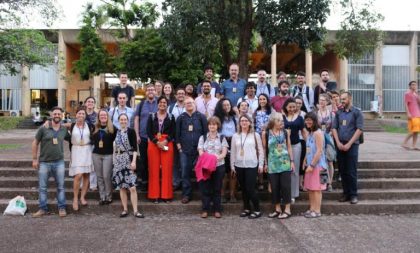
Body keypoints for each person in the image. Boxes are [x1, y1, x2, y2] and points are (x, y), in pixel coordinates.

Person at [32, 107, 70, 218]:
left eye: (59, 114)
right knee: (43, 187)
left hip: (59, 162)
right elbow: (35, 143)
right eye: (55, 114)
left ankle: (61, 208)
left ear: (62, 115)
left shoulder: (63, 129)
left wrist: (68, 125)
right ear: (51, 115)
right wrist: (34, 159)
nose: (57, 115)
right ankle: (42, 209)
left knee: (61, 187)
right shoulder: (43, 128)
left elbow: (72, 137)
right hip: (44, 162)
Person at [332, 91, 364, 204]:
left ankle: (353, 194)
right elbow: (334, 128)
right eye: (341, 99)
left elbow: (359, 129)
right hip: (340, 145)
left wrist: (349, 144)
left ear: (349, 99)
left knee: (351, 171)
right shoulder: (339, 113)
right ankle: (345, 193)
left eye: (344, 99)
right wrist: (338, 143)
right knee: (342, 170)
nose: (342, 101)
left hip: (352, 146)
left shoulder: (357, 112)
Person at [230, 114, 264, 219]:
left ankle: (257, 209)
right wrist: (232, 166)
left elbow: (260, 151)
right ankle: (247, 208)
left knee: (250, 188)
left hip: (252, 164)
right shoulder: (235, 136)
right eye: (242, 121)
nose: (244, 122)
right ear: (239, 123)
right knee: (244, 189)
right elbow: (233, 152)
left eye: (246, 120)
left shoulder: (255, 135)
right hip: (239, 165)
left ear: (250, 122)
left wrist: (261, 164)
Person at [176, 97, 208, 203]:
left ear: (194, 104)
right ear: (184, 105)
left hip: (199, 150)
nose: (189, 104)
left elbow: (205, 133)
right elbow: (177, 134)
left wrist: (204, 148)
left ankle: (204, 194)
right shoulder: (180, 118)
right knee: (185, 172)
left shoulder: (201, 117)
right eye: (186, 103)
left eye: (190, 102)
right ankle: (186, 195)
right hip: (184, 150)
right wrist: (179, 147)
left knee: (201, 172)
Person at [262, 112, 294, 219]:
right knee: (274, 187)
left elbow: (289, 147)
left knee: (286, 186)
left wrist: (292, 161)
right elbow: (264, 149)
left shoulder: (285, 132)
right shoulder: (266, 133)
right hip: (272, 164)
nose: (282, 122)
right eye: (279, 120)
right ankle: (277, 209)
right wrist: (265, 163)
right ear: (273, 121)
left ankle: (287, 210)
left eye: (282, 120)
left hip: (285, 163)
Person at [112, 113, 144, 218]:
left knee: (132, 187)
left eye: (125, 119)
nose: (123, 121)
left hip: (128, 159)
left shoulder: (131, 131)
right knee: (122, 186)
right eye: (121, 120)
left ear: (127, 120)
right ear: (118, 121)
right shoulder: (116, 132)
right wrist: (114, 161)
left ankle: (135, 211)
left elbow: (135, 148)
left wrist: (134, 161)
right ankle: (125, 209)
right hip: (119, 160)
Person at [197, 116, 228, 218]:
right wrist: (209, 159)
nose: (212, 126)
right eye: (210, 124)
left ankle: (217, 210)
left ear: (217, 126)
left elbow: (224, 153)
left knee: (217, 188)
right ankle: (205, 210)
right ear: (208, 126)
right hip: (206, 167)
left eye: (214, 124)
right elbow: (201, 152)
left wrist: (214, 159)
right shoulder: (203, 137)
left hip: (218, 166)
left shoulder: (222, 138)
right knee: (205, 188)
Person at [147, 96, 176, 203]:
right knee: (154, 170)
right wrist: (157, 142)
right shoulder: (151, 116)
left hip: (167, 143)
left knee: (167, 170)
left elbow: (173, 132)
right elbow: (148, 131)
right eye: (160, 102)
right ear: (157, 104)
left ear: (167, 104)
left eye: (164, 102)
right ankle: (154, 195)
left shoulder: (171, 117)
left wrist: (165, 141)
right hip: (154, 143)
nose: (162, 104)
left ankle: (166, 196)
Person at [68, 107, 95, 211]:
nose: (81, 115)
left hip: (87, 150)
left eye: (83, 114)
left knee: (86, 175)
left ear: (85, 115)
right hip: (76, 150)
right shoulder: (71, 126)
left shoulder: (90, 126)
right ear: (76, 115)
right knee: (78, 175)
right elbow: (59, 127)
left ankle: (82, 197)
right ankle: (75, 198)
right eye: (79, 113)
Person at [303, 112, 327, 218]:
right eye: (306, 120)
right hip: (309, 165)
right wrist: (304, 160)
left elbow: (319, 151)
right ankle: (312, 208)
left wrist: (311, 165)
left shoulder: (318, 133)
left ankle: (317, 211)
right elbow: (308, 149)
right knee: (310, 188)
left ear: (314, 121)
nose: (307, 122)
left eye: (310, 120)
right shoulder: (310, 133)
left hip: (317, 166)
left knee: (317, 189)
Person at [134, 84, 158, 191]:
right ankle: (144, 182)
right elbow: (136, 119)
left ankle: (154, 182)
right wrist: (137, 135)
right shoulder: (141, 104)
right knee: (143, 161)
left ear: (156, 91)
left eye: (152, 89)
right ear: (146, 92)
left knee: (155, 161)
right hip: (143, 137)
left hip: (156, 138)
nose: (150, 91)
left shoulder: (160, 102)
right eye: (148, 90)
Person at [214, 98, 238, 203]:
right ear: (220, 106)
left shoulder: (234, 118)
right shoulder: (217, 118)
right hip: (221, 144)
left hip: (233, 144)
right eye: (224, 105)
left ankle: (232, 195)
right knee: (222, 171)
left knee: (233, 171)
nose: (227, 107)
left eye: (228, 105)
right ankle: (222, 194)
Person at [91, 109, 116, 205]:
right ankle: (102, 197)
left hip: (108, 155)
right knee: (99, 176)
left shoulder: (112, 128)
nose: (103, 117)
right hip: (96, 154)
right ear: (98, 117)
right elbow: (91, 138)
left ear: (107, 117)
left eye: (105, 115)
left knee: (106, 176)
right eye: (101, 115)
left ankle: (109, 196)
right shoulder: (94, 127)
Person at [282, 98, 305, 203]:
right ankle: (285, 193)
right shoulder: (282, 118)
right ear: (286, 107)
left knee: (294, 170)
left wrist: (309, 143)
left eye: (293, 107)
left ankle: (293, 194)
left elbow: (304, 132)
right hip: (283, 147)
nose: (291, 109)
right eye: (290, 107)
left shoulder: (300, 118)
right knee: (284, 170)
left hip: (296, 145)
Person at [168, 87, 186, 190]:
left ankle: (184, 183)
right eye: (179, 93)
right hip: (173, 138)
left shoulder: (189, 106)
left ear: (185, 95)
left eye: (182, 93)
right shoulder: (170, 107)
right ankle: (175, 182)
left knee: (184, 163)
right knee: (174, 162)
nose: (180, 95)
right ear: (175, 96)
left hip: (185, 139)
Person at [317, 94, 336, 191]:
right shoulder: (316, 113)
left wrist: (332, 133)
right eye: (320, 100)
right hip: (319, 139)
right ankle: (323, 182)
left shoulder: (331, 114)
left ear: (327, 102)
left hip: (328, 138)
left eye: (324, 100)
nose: (322, 102)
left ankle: (330, 183)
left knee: (330, 161)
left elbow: (334, 127)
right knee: (321, 161)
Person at [253, 93, 272, 190]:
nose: (262, 101)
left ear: (267, 100)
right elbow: (253, 124)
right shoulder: (256, 112)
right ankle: (260, 181)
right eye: (260, 99)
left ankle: (270, 180)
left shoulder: (271, 111)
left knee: (268, 157)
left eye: (264, 99)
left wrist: (267, 127)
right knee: (259, 157)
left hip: (269, 136)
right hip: (258, 137)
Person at [84, 96, 98, 192]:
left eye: (92, 102)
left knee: (93, 164)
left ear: (94, 104)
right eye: (88, 101)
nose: (90, 103)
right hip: (82, 144)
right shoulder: (81, 114)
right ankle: (82, 184)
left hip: (93, 143)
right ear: (85, 103)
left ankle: (93, 184)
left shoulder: (97, 116)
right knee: (83, 164)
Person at [401, 81, 420, 150]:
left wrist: (417, 94)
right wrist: (408, 113)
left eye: (415, 85)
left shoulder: (415, 94)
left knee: (417, 131)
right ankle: (404, 143)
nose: (414, 86)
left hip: (418, 114)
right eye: (413, 85)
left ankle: (413, 145)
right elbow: (406, 104)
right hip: (412, 114)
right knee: (413, 131)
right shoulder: (407, 94)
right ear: (410, 86)